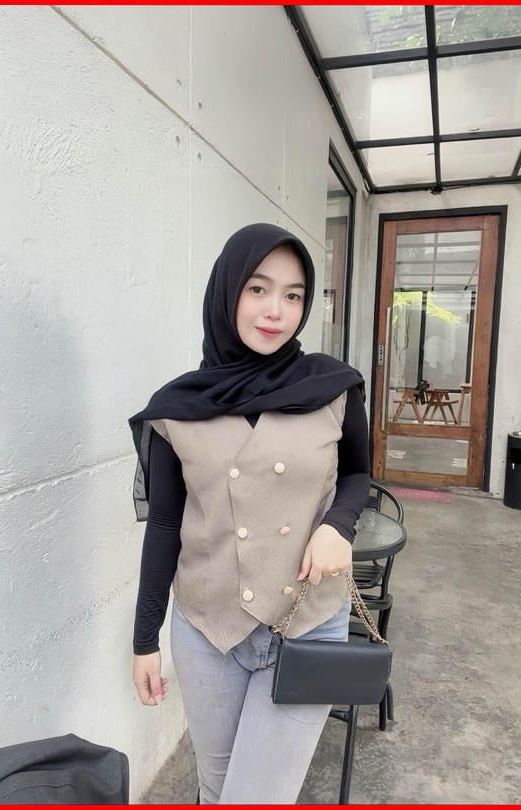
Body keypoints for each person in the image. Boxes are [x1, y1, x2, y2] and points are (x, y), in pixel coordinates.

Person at [128, 223, 371, 804]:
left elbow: (358, 473)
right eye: (258, 289)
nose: (276, 311)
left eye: (293, 295)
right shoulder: (178, 408)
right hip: (208, 629)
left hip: (309, 623)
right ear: (227, 291)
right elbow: (165, 525)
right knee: (216, 791)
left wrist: (338, 524)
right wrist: (144, 639)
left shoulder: (333, 387)